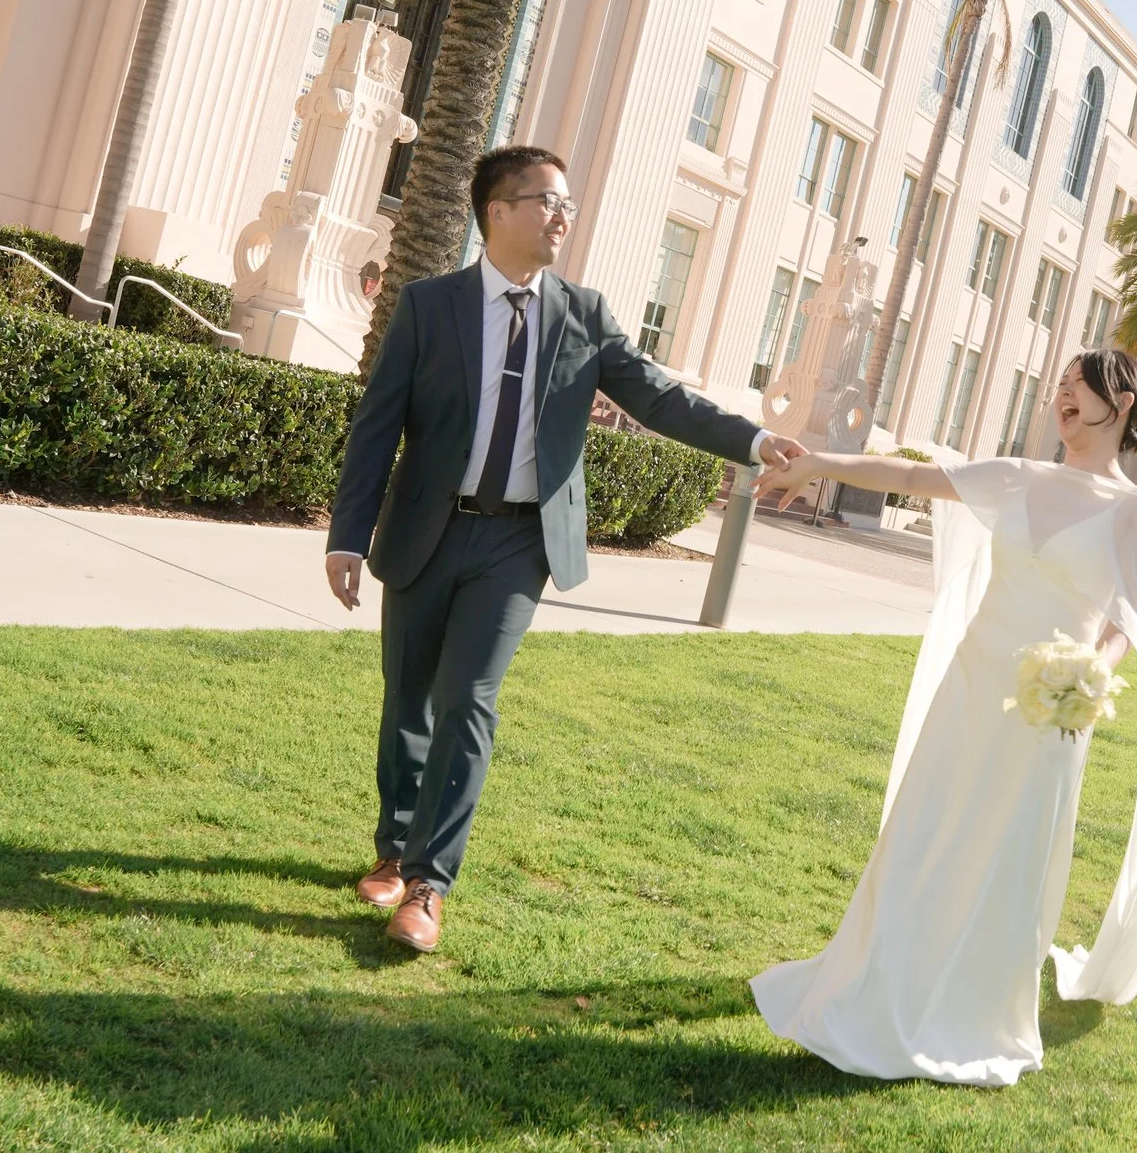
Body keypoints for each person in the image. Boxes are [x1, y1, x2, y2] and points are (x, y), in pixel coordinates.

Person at [325, 146, 807, 953]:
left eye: (567, 203)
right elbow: (378, 424)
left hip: (518, 541)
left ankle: (429, 883)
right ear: (497, 211)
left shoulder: (584, 314)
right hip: (425, 528)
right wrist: (348, 532)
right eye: (546, 200)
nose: (562, 216)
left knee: (469, 697)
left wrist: (754, 441)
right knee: (409, 694)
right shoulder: (429, 306)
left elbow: (660, 397)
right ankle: (394, 847)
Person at [747, 350, 1137, 1086]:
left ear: (1127, 406)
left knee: (1007, 849)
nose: (1063, 394)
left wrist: (1091, 671)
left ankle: (973, 1002)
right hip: (972, 685)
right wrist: (814, 462)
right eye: (1060, 383)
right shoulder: (1021, 476)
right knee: (930, 827)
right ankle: (887, 973)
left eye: (1081, 384)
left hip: (1049, 709)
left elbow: (1135, 620)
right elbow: (912, 478)